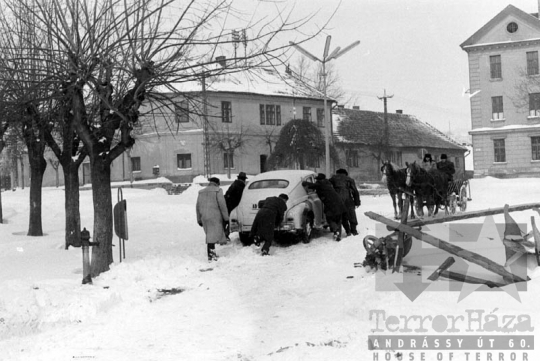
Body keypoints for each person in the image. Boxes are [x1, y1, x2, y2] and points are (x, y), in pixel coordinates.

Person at [302, 173, 347, 241]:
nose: (316, 181)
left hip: (331, 204)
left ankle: (336, 230)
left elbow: (312, 185)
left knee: (330, 219)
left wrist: (304, 182)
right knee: (338, 220)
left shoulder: (320, 183)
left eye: (317, 179)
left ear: (319, 179)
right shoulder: (327, 183)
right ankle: (338, 235)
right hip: (339, 203)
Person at [196, 177, 229, 261]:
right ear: (217, 183)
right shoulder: (218, 191)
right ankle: (211, 255)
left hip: (205, 217)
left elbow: (197, 206)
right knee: (212, 236)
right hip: (215, 217)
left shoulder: (201, 192)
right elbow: (222, 205)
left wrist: (199, 219)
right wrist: (226, 218)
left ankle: (211, 254)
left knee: (210, 235)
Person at [330, 169, 361, 237]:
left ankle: (347, 231)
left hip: (337, 202)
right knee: (351, 216)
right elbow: (355, 191)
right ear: (345, 173)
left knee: (341, 217)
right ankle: (354, 231)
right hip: (348, 201)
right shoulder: (349, 179)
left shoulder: (332, 179)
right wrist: (357, 202)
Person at [223, 172, 248, 240]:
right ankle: (225, 234)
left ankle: (223, 234)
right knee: (231, 220)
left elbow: (227, 194)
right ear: (244, 179)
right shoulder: (241, 186)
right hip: (234, 205)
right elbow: (241, 197)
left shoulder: (234, 184)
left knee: (226, 220)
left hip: (228, 204)